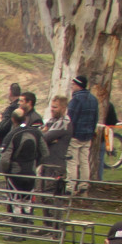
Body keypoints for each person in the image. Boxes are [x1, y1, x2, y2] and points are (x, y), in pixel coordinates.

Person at [0, 100, 44, 236]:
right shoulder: (36, 133)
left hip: (15, 173)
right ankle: (26, 229)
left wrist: (6, 171)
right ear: (25, 118)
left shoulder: (12, 135)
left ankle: (17, 232)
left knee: (16, 202)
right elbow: (44, 152)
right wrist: (35, 164)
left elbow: (5, 158)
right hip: (31, 172)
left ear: (13, 119)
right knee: (27, 201)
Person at [40, 95, 73, 234]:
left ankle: (55, 228)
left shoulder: (64, 123)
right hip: (46, 163)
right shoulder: (52, 121)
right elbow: (41, 135)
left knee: (54, 197)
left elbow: (44, 137)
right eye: (51, 107)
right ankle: (47, 226)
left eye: (55, 107)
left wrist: (46, 136)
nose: (52, 110)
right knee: (43, 196)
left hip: (57, 165)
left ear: (64, 108)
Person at [67, 74, 101, 193]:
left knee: (72, 161)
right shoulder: (93, 99)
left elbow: (71, 119)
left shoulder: (75, 100)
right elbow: (95, 118)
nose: (72, 87)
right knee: (84, 161)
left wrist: (69, 133)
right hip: (87, 136)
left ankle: (70, 187)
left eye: (73, 85)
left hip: (75, 136)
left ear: (78, 85)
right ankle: (84, 185)